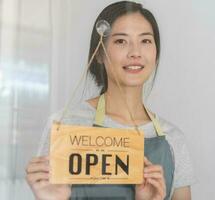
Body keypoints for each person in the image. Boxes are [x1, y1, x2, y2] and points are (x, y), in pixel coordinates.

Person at [25, 1, 196, 199]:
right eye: (121, 41)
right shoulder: (65, 125)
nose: (135, 52)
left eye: (146, 41)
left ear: (156, 53)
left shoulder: (173, 139)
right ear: (99, 53)